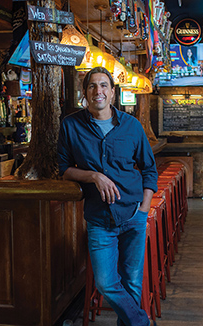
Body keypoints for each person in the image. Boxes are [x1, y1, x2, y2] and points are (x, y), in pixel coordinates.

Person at [58, 67, 158, 326]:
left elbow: (148, 168)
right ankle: (142, 322)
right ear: (85, 92)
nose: (98, 91)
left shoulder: (131, 126)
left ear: (113, 93)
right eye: (92, 86)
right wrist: (94, 176)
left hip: (133, 213)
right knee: (105, 283)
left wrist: (144, 208)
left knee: (133, 281)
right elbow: (64, 170)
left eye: (104, 85)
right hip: (100, 218)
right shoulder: (70, 126)